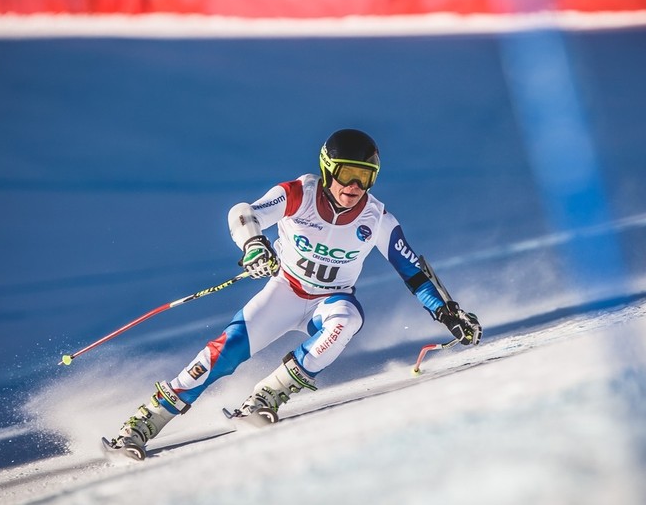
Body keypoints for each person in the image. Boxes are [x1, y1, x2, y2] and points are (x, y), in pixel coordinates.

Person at [107, 128, 482, 459]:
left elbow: (411, 270)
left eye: (365, 178)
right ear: (327, 170)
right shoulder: (299, 194)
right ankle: (146, 422)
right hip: (286, 291)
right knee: (225, 352)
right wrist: (253, 245)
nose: (355, 187)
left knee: (348, 319)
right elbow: (243, 212)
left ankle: (268, 395)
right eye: (347, 174)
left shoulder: (377, 218)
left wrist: (446, 312)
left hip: (330, 300)